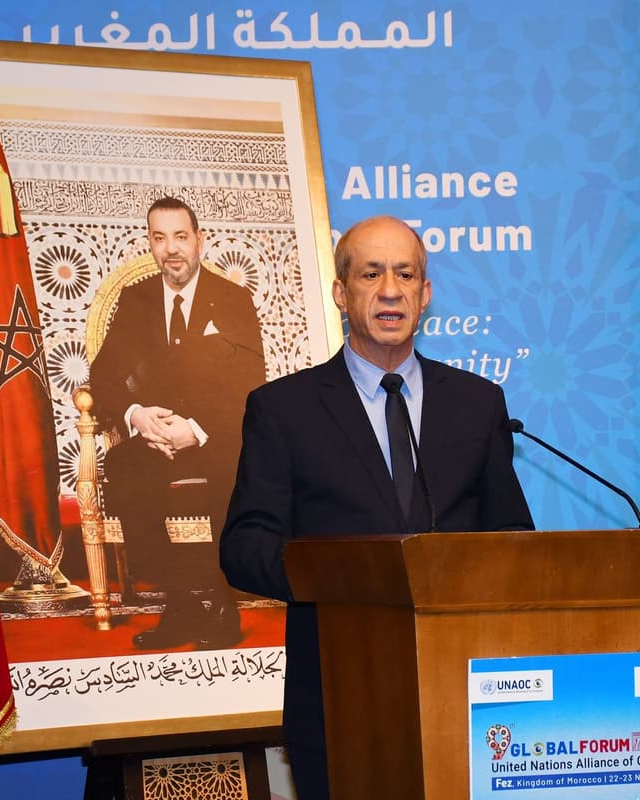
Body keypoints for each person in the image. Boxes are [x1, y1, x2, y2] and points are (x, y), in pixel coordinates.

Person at [219, 215, 533, 799]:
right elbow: (243, 546)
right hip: (340, 702)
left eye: (405, 273)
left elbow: (512, 535)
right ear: (342, 293)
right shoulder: (283, 410)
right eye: (371, 273)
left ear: (425, 294)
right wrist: (344, 575)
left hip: (472, 703)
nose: (390, 289)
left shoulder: (476, 404)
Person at [89, 196, 265, 650]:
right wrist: (137, 417)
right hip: (153, 437)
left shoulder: (232, 298)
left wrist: (196, 428)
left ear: (199, 240)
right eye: (159, 237)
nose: (172, 248)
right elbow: (103, 377)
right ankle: (184, 603)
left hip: (214, 435)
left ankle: (219, 602)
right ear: (149, 243)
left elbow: (250, 382)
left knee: (235, 471)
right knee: (124, 471)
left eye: (180, 236)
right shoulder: (136, 300)